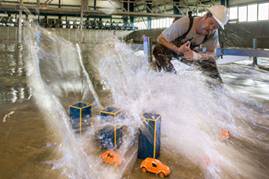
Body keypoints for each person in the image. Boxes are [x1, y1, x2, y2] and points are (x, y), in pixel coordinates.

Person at [153, 5, 229, 81]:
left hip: (188, 54)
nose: (211, 28)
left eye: (215, 27)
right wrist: (177, 49)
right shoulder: (185, 23)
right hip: (172, 49)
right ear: (206, 16)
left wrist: (198, 56)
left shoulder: (213, 34)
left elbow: (212, 53)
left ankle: (217, 89)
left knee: (210, 63)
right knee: (158, 49)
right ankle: (173, 79)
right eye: (211, 23)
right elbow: (160, 38)